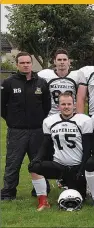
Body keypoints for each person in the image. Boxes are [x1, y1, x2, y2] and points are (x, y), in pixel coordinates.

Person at [28, 92, 92, 211]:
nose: (66, 106)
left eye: (69, 104)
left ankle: (73, 183)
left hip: (76, 166)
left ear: (74, 105)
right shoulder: (50, 121)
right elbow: (45, 144)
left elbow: (88, 148)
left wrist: (82, 169)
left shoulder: (84, 120)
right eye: (63, 104)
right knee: (34, 167)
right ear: (58, 106)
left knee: (79, 197)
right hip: (58, 165)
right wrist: (37, 159)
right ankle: (43, 201)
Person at [1, 52, 52, 200]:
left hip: (37, 131)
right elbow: (2, 106)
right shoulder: (9, 83)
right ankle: (8, 192)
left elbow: (46, 106)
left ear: (31, 64)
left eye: (28, 62)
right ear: (17, 65)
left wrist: (38, 120)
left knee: (38, 162)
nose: (25, 65)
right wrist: (11, 120)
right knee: (12, 163)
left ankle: (41, 190)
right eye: (22, 63)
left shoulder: (41, 83)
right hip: (17, 131)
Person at [38, 49, 83, 115]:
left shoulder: (77, 76)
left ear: (69, 62)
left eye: (64, 60)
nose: (62, 62)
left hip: (71, 115)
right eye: (59, 60)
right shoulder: (45, 75)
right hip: (51, 115)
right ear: (54, 62)